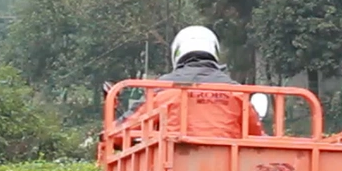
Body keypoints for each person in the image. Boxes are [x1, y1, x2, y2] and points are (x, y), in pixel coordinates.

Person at [111, 26, 265, 139]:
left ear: (177, 53)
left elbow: (121, 131)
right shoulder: (237, 92)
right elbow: (256, 135)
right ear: (214, 52)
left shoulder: (161, 90)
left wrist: (110, 135)